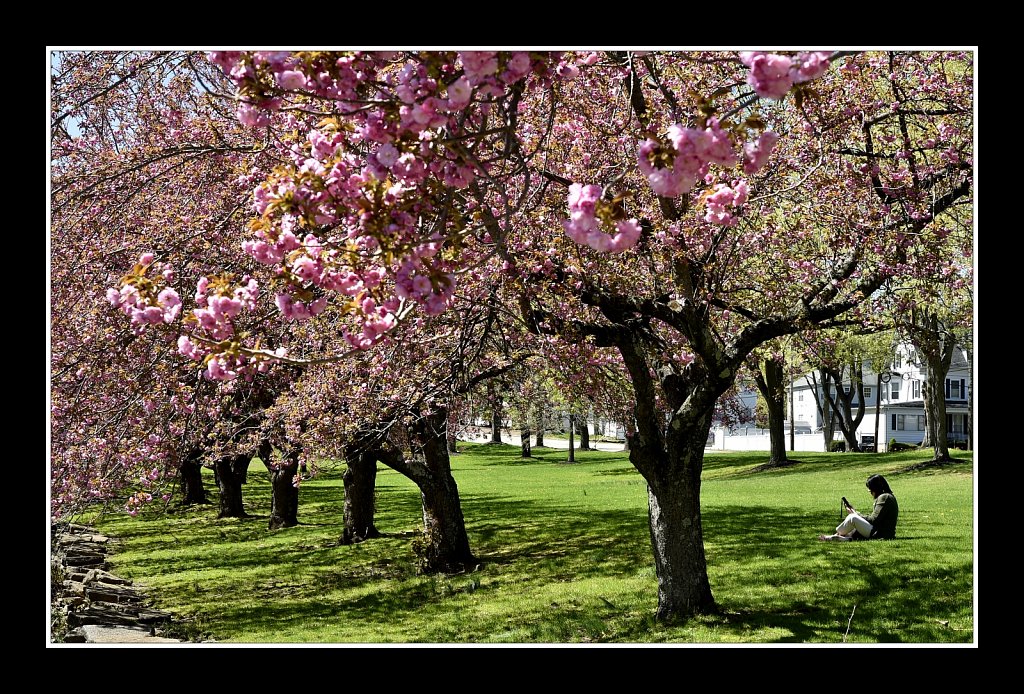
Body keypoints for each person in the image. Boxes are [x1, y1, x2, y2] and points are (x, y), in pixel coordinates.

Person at [819, 474, 899, 541]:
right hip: (879, 531)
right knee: (853, 518)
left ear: (876, 489)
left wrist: (856, 514)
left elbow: (874, 520)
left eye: (871, 490)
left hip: (880, 533)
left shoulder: (884, 497)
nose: (871, 493)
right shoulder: (887, 496)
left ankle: (837, 534)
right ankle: (843, 538)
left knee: (852, 518)